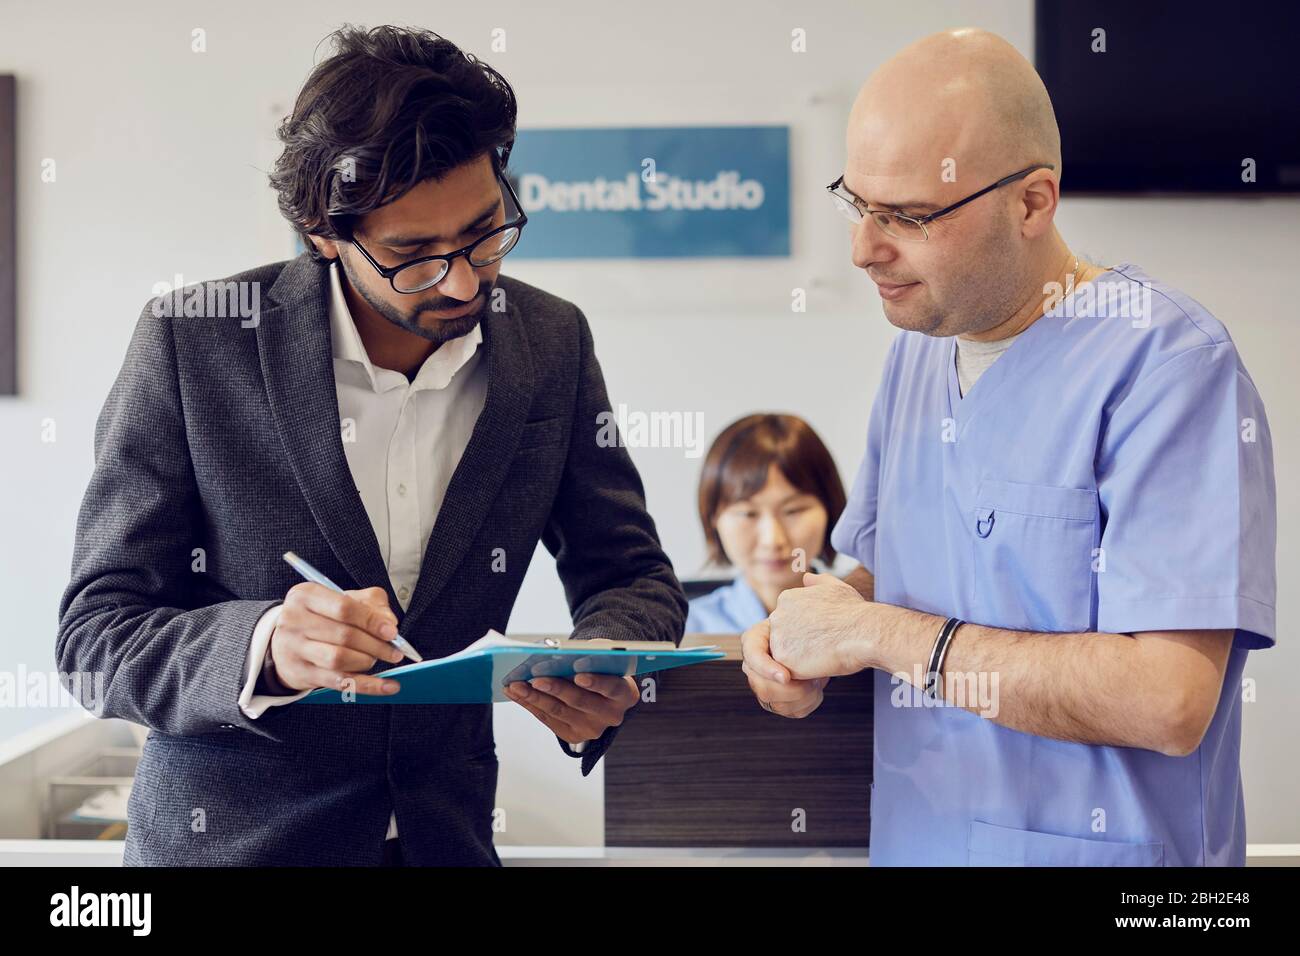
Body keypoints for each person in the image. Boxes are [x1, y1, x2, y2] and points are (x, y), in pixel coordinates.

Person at [56, 25, 686, 867]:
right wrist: (265, 646)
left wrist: (607, 660)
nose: (463, 281)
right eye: (412, 256)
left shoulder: (551, 341)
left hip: (447, 842)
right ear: (323, 233)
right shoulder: (193, 342)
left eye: (485, 232)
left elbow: (631, 572)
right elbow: (95, 638)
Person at [741, 28, 1276, 866]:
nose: (864, 248)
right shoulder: (918, 352)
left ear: (1032, 203)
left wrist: (880, 635)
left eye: (907, 216)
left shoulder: (1168, 367)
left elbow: (1169, 701)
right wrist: (802, 633)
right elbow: (896, 575)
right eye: (859, 203)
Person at [686, 414, 845, 636]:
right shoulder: (685, 632)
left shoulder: (863, 621)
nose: (773, 540)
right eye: (748, 513)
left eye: (793, 511)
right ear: (713, 519)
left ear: (830, 508)